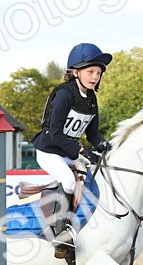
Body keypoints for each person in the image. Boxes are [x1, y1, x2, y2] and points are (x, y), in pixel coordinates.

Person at [30, 42, 113, 247]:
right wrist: (82, 151)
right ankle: (59, 232)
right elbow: (55, 133)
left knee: (98, 175)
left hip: (69, 151)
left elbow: (92, 133)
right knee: (68, 181)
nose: (95, 77)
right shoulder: (64, 94)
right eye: (91, 71)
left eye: (99, 73)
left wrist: (106, 146)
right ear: (75, 72)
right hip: (49, 150)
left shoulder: (91, 98)